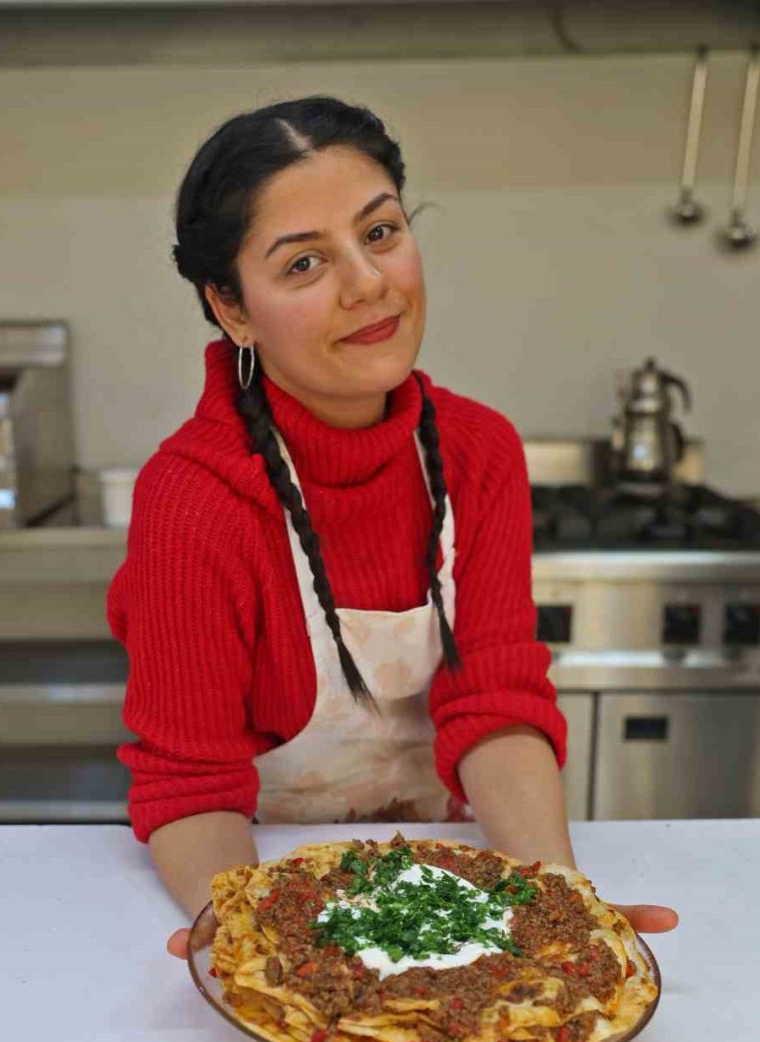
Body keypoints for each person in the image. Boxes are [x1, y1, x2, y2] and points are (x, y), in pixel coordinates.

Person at [107, 95, 679, 959]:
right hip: (271, 884)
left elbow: (493, 702)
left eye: (379, 234)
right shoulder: (194, 498)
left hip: (449, 898)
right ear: (231, 308)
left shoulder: (479, 451)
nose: (368, 283)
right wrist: (254, 939)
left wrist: (556, 895)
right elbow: (190, 780)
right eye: (304, 265)